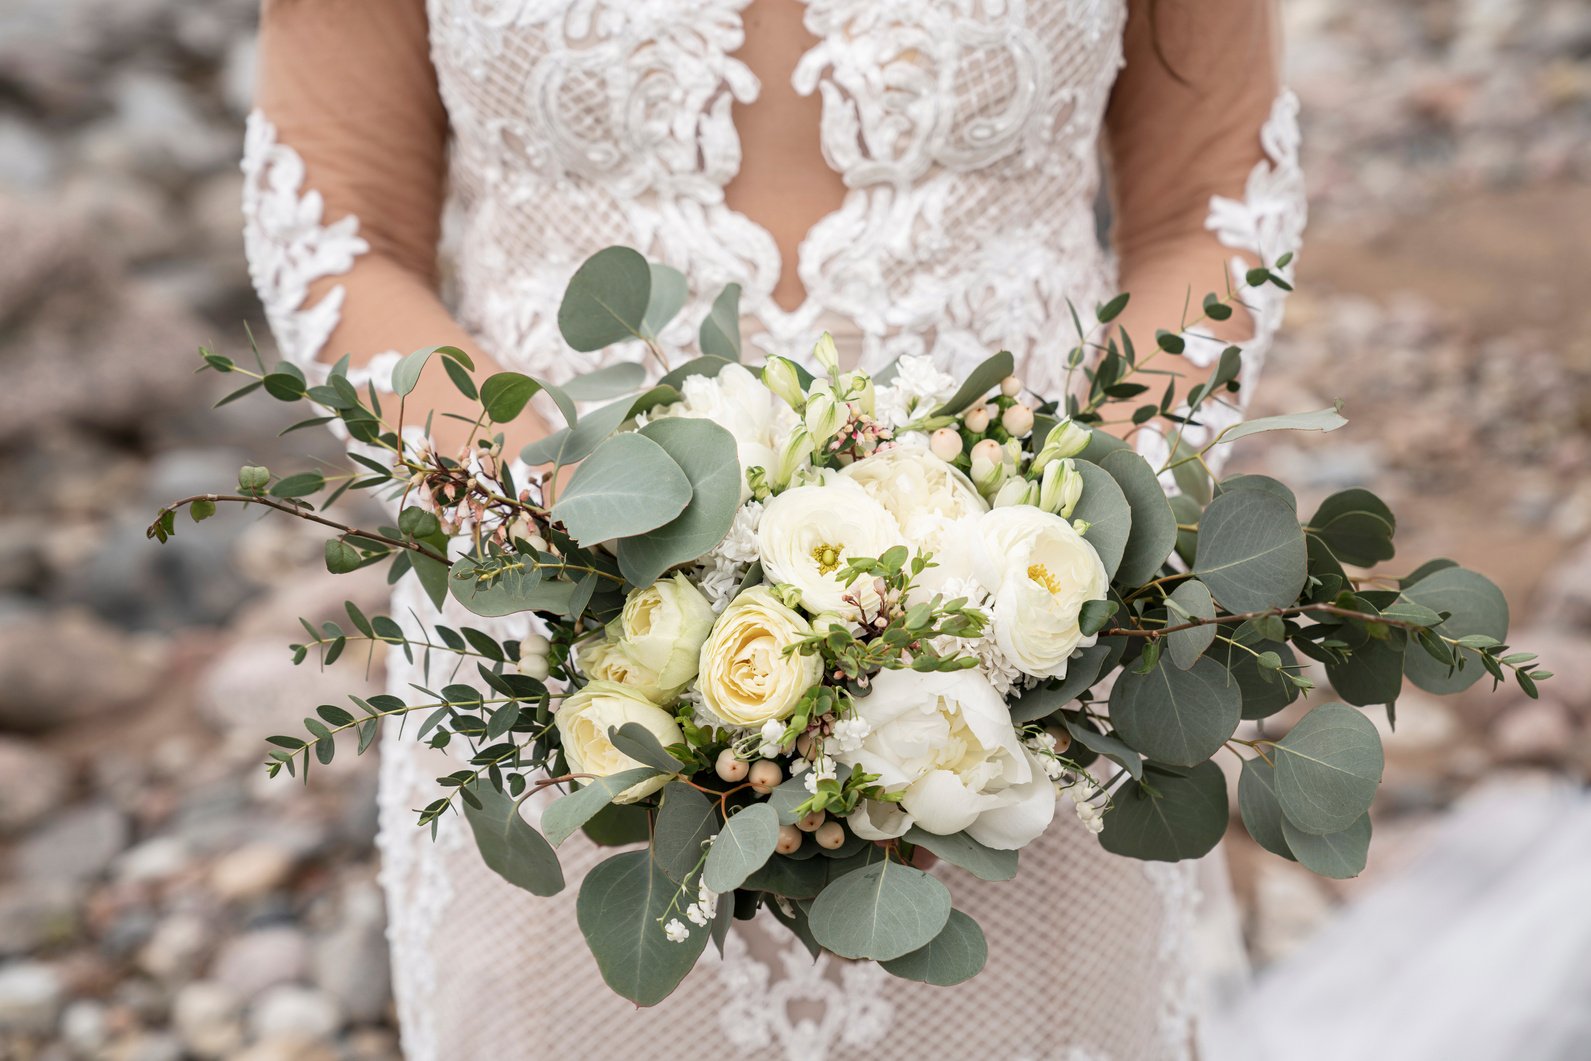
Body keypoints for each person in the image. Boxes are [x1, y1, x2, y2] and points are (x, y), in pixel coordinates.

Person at [243, 1, 1304, 1057]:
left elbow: (1211, 216)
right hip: (565, 678)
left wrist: (1056, 579)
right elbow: (337, 235)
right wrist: (568, 551)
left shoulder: (1040, 634)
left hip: (1030, 690)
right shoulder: (558, 585)